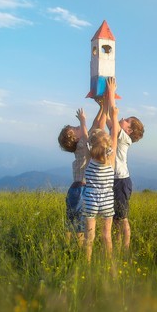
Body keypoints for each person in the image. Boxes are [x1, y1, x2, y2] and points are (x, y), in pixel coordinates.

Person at [83, 77, 120, 263]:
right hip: (107, 199)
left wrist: (101, 105)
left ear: (92, 144)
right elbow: (113, 130)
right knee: (107, 236)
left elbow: (92, 131)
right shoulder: (110, 158)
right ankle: (111, 265)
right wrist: (110, 95)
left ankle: (87, 265)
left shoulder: (90, 156)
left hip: (90, 199)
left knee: (89, 237)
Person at [108, 108, 144, 252]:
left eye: (127, 120)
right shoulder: (120, 134)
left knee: (123, 218)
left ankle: (126, 249)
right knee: (116, 219)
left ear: (129, 131)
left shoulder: (124, 138)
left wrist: (110, 95)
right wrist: (102, 105)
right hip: (116, 180)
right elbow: (109, 121)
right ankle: (117, 247)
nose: (122, 118)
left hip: (121, 182)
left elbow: (113, 120)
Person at [58, 108, 89, 245]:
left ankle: (67, 246)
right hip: (82, 189)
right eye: (76, 128)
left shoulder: (78, 146)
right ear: (76, 138)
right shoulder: (82, 144)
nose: (79, 127)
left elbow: (88, 131)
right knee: (81, 225)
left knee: (70, 221)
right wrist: (82, 120)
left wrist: (101, 109)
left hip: (73, 189)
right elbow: (87, 137)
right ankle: (80, 251)